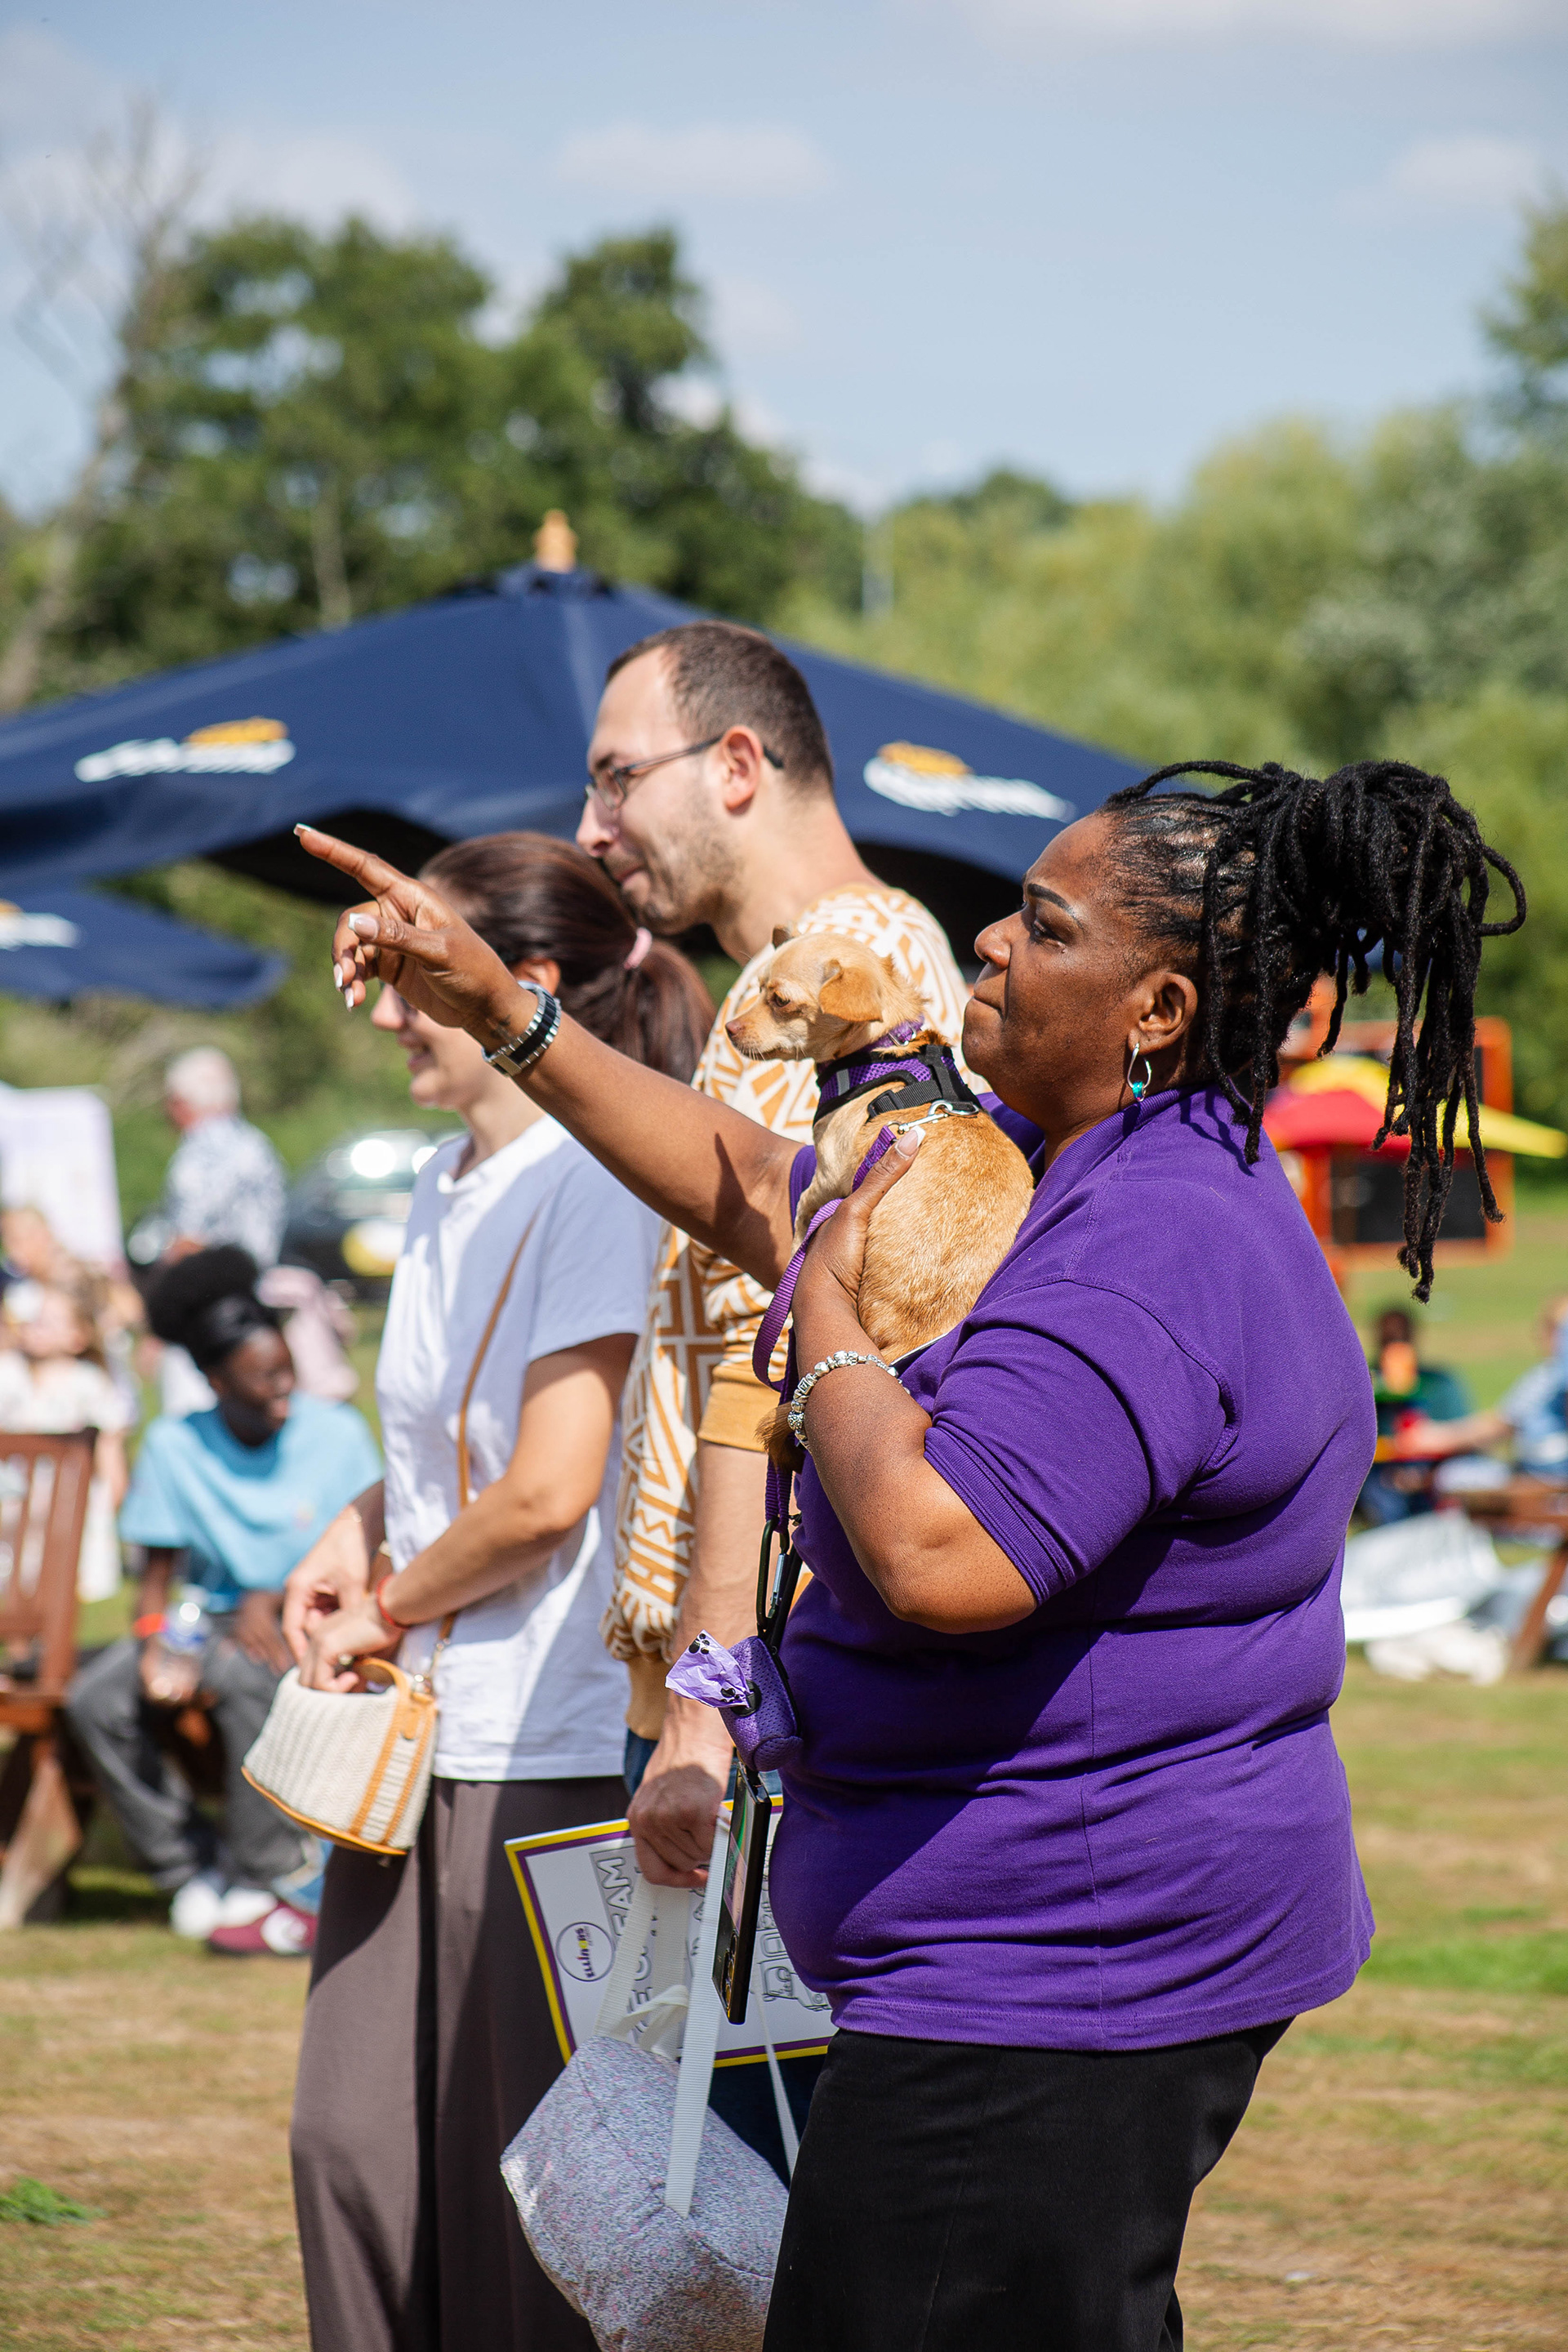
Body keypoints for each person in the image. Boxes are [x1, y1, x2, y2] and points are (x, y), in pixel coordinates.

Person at [304, 745, 1524, 2350]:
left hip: (1060, 1980)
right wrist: (507, 1015)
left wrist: (821, 1300)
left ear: (1159, 1011)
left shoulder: (1150, 1244)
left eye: (1050, 927)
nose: (995, 942)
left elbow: (943, 1553)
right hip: (1037, 1961)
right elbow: (760, 1184)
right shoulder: (1080, 1175)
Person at [282, 833, 712, 2352]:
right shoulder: (439, 1178)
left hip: (542, 1737)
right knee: (348, 2149)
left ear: (517, 981)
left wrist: (386, 1602)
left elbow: (546, 1490)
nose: (392, 1008)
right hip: (419, 1729)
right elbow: (444, 1443)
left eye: (414, 971)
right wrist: (351, 1531)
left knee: (517, 2191)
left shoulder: (591, 1179)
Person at [574, 621, 969, 1877]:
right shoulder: (813, 974)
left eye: (616, 778)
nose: (591, 829)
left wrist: (710, 1703)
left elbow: (801, 1371)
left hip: (761, 1703)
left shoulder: (850, 978)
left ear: (736, 764)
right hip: (752, 1683)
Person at [66, 1248, 381, 1953]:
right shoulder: (177, 1444)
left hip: (306, 1620)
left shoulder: (337, 1435)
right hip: (201, 1620)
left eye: (287, 1372)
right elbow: (156, 1574)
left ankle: (262, 1870)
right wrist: (155, 1638)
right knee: (96, 1698)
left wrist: (273, 1596)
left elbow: (368, 1552)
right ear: (215, 1380)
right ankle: (185, 1866)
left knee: (249, 1678)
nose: (282, 1392)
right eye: (262, 1379)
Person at [155, 1049, 289, 1417]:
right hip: (255, 1303)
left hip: (206, 1310)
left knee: (197, 1418)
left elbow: (189, 1239)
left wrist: (160, 1315)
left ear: (181, 1102)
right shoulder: (256, 1144)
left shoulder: (200, 1151)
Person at [0, 1277, 131, 1601]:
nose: (38, 1326)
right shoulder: (9, 1374)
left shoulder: (89, 1385)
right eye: (36, 1318)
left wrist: (111, 1506)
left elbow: (109, 1453)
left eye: (51, 1321)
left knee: (61, 1590)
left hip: (70, 1508)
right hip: (13, 1507)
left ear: (78, 1336)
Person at [1392, 1294, 1568, 1485]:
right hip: (1544, 1472)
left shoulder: (1549, 1377)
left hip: (1543, 1475)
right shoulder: (1550, 1376)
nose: (1537, 1335)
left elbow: (1497, 1426)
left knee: (1451, 1475)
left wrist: (1433, 1437)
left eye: (1547, 1328)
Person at [1357, 1306, 1475, 1525]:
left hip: (1431, 1471)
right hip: (1382, 1475)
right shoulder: (1364, 1384)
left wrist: (1424, 1475)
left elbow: (1462, 1436)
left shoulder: (1439, 1384)